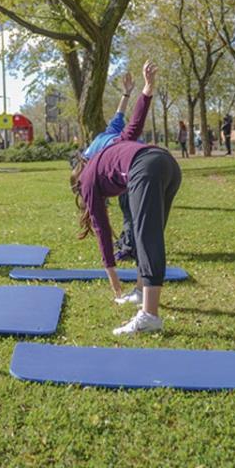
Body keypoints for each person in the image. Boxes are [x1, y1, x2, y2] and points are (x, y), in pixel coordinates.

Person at [70, 60, 181, 334]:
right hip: (167, 163)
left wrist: (113, 282)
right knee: (150, 234)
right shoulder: (111, 149)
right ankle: (141, 292)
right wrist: (147, 89)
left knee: (146, 237)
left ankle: (150, 316)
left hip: (145, 168)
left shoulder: (87, 178)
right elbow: (134, 125)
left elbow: (102, 229)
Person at [81, 72, 138, 264]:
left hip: (131, 168)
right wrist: (126, 93)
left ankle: (129, 247)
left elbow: (120, 114)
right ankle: (127, 240)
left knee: (129, 209)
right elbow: (120, 113)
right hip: (129, 167)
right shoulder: (110, 132)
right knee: (129, 209)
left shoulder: (101, 146)